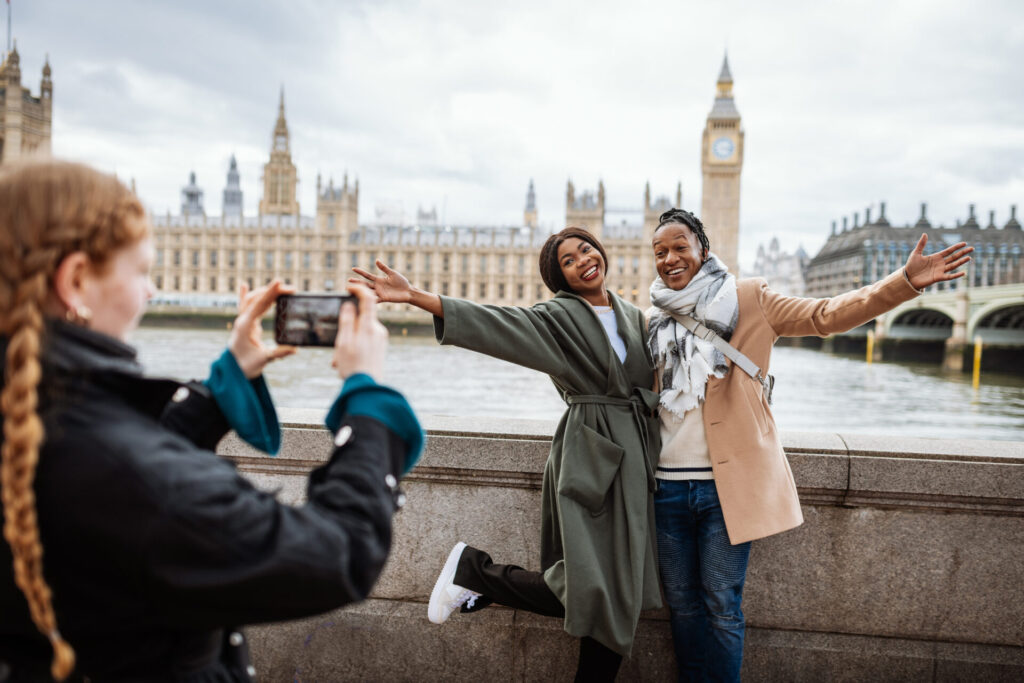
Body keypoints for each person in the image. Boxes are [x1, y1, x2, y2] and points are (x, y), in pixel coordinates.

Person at [0, 159, 423, 682]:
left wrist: (224, 388)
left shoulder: (38, 415)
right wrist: (369, 399)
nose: (152, 293)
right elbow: (338, 554)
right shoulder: (122, 472)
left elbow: (117, 465)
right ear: (77, 280)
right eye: (142, 272)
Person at [645, 208, 972, 682]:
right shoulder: (652, 318)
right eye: (660, 252)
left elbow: (827, 315)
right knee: (682, 608)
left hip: (727, 489)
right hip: (666, 487)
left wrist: (904, 282)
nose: (670, 258)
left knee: (720, 606)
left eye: (680, 247)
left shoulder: (750, 300)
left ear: (704, 251)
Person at [352, 227, 662, 681]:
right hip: (592, 455)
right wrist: (417, 297)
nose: (583, 261)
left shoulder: (636, 316)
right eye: (569, 261)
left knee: (618, 592)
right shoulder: (558, 318)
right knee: (597, 588)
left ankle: (476, 578)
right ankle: (475, 573)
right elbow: (497, 325)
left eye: (585, 250)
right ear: (560, 278)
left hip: (634, 462)